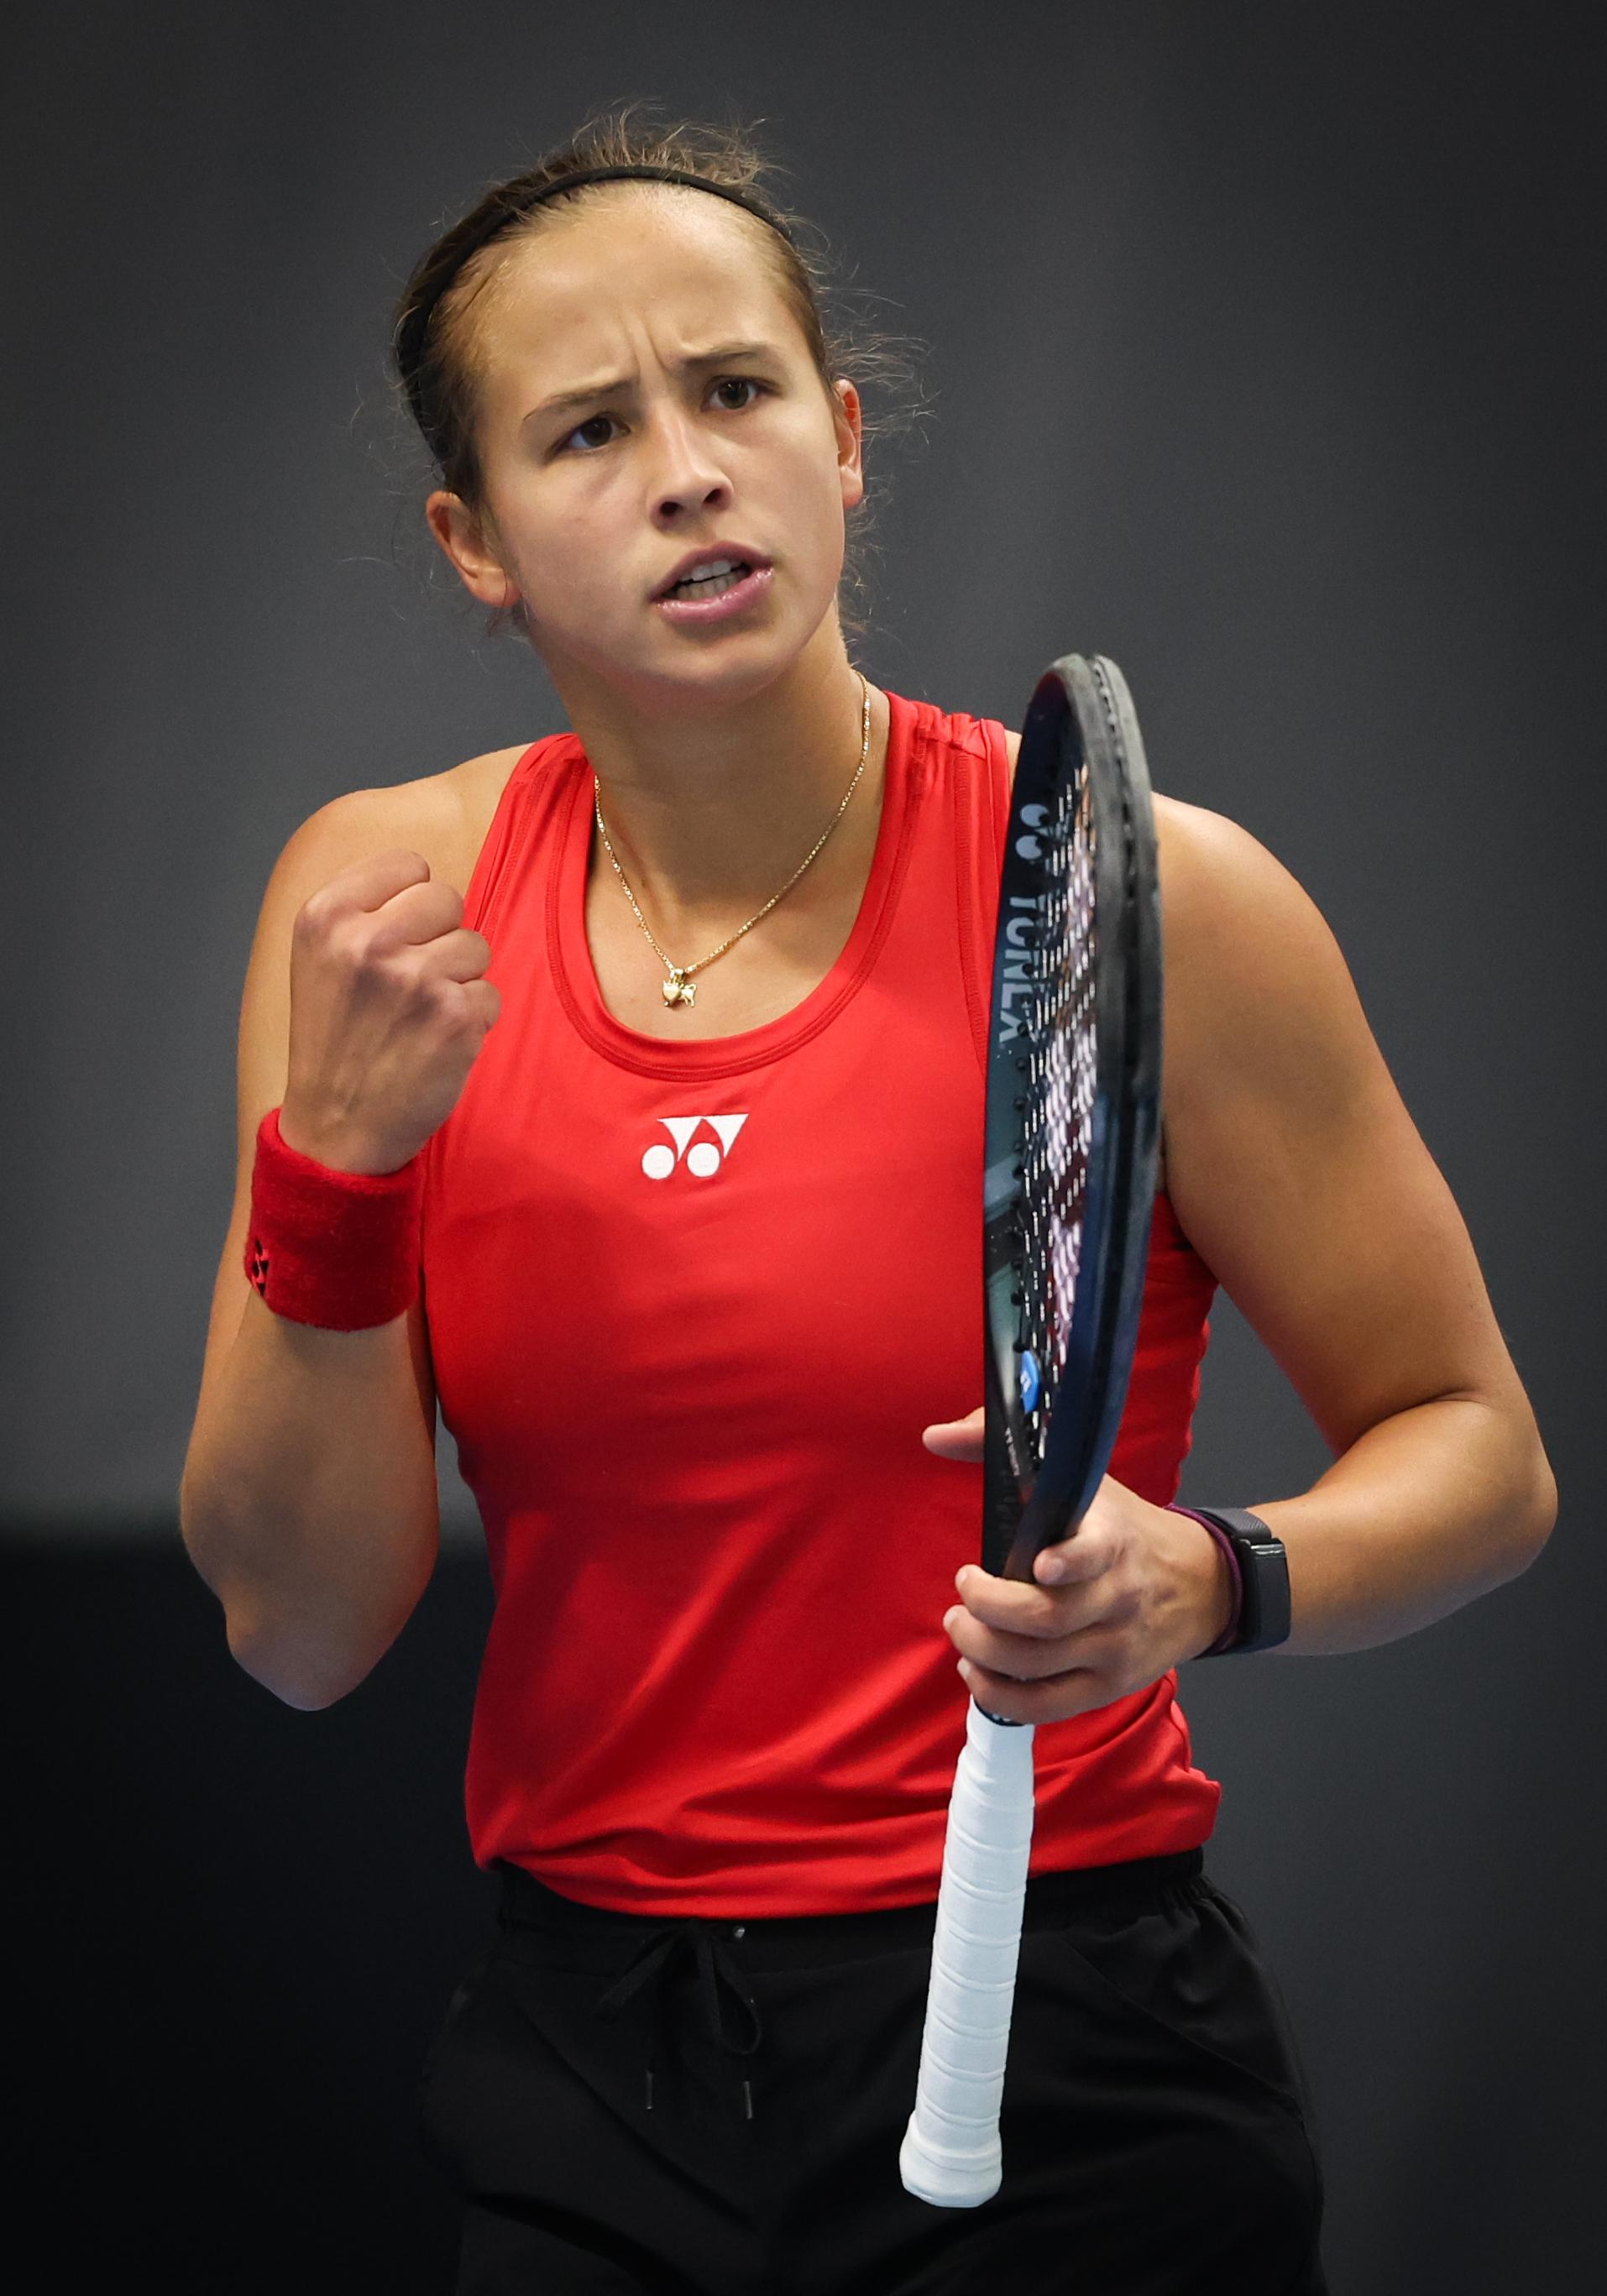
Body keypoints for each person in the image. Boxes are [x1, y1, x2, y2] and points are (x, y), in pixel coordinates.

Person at [179, 104, 1557, 2296]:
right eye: (587, 431)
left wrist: (1211, 1576)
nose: (686, 470)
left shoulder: (1151, 895)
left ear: (836, 437)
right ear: (476, 541)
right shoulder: (387, 906)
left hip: (1068, 2043)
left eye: (732, 393)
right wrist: (329, 1179)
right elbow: (298, 1630)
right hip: (585, 2071)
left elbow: (1481, 1458)